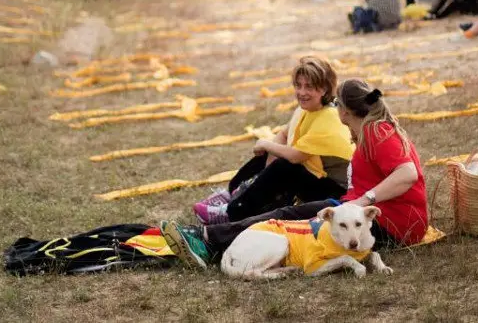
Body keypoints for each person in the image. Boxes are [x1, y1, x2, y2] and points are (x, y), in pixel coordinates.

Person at [162, 77, 429, 268]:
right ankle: (214, 236)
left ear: (346, 110)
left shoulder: (377, 132)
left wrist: (364, 201)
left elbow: (407, 173)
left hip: (391, 224)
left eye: (336, 102)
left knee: (287, 218)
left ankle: (208, 240)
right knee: (289, 213)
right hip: (363, 212)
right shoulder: (369, 129)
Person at [193, 57, 354, 225]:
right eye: (298, 85)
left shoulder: (329, 117)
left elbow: (296, 156)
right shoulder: (308, 109)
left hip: (339, 194)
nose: (301, 92)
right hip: (317, 177)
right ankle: (232, 193)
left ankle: (232, 212)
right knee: (270, 154)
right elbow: (284, 134)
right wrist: (269, 153)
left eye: (309, 86)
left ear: (324, 89)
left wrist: (266, 145)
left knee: (286, 166)